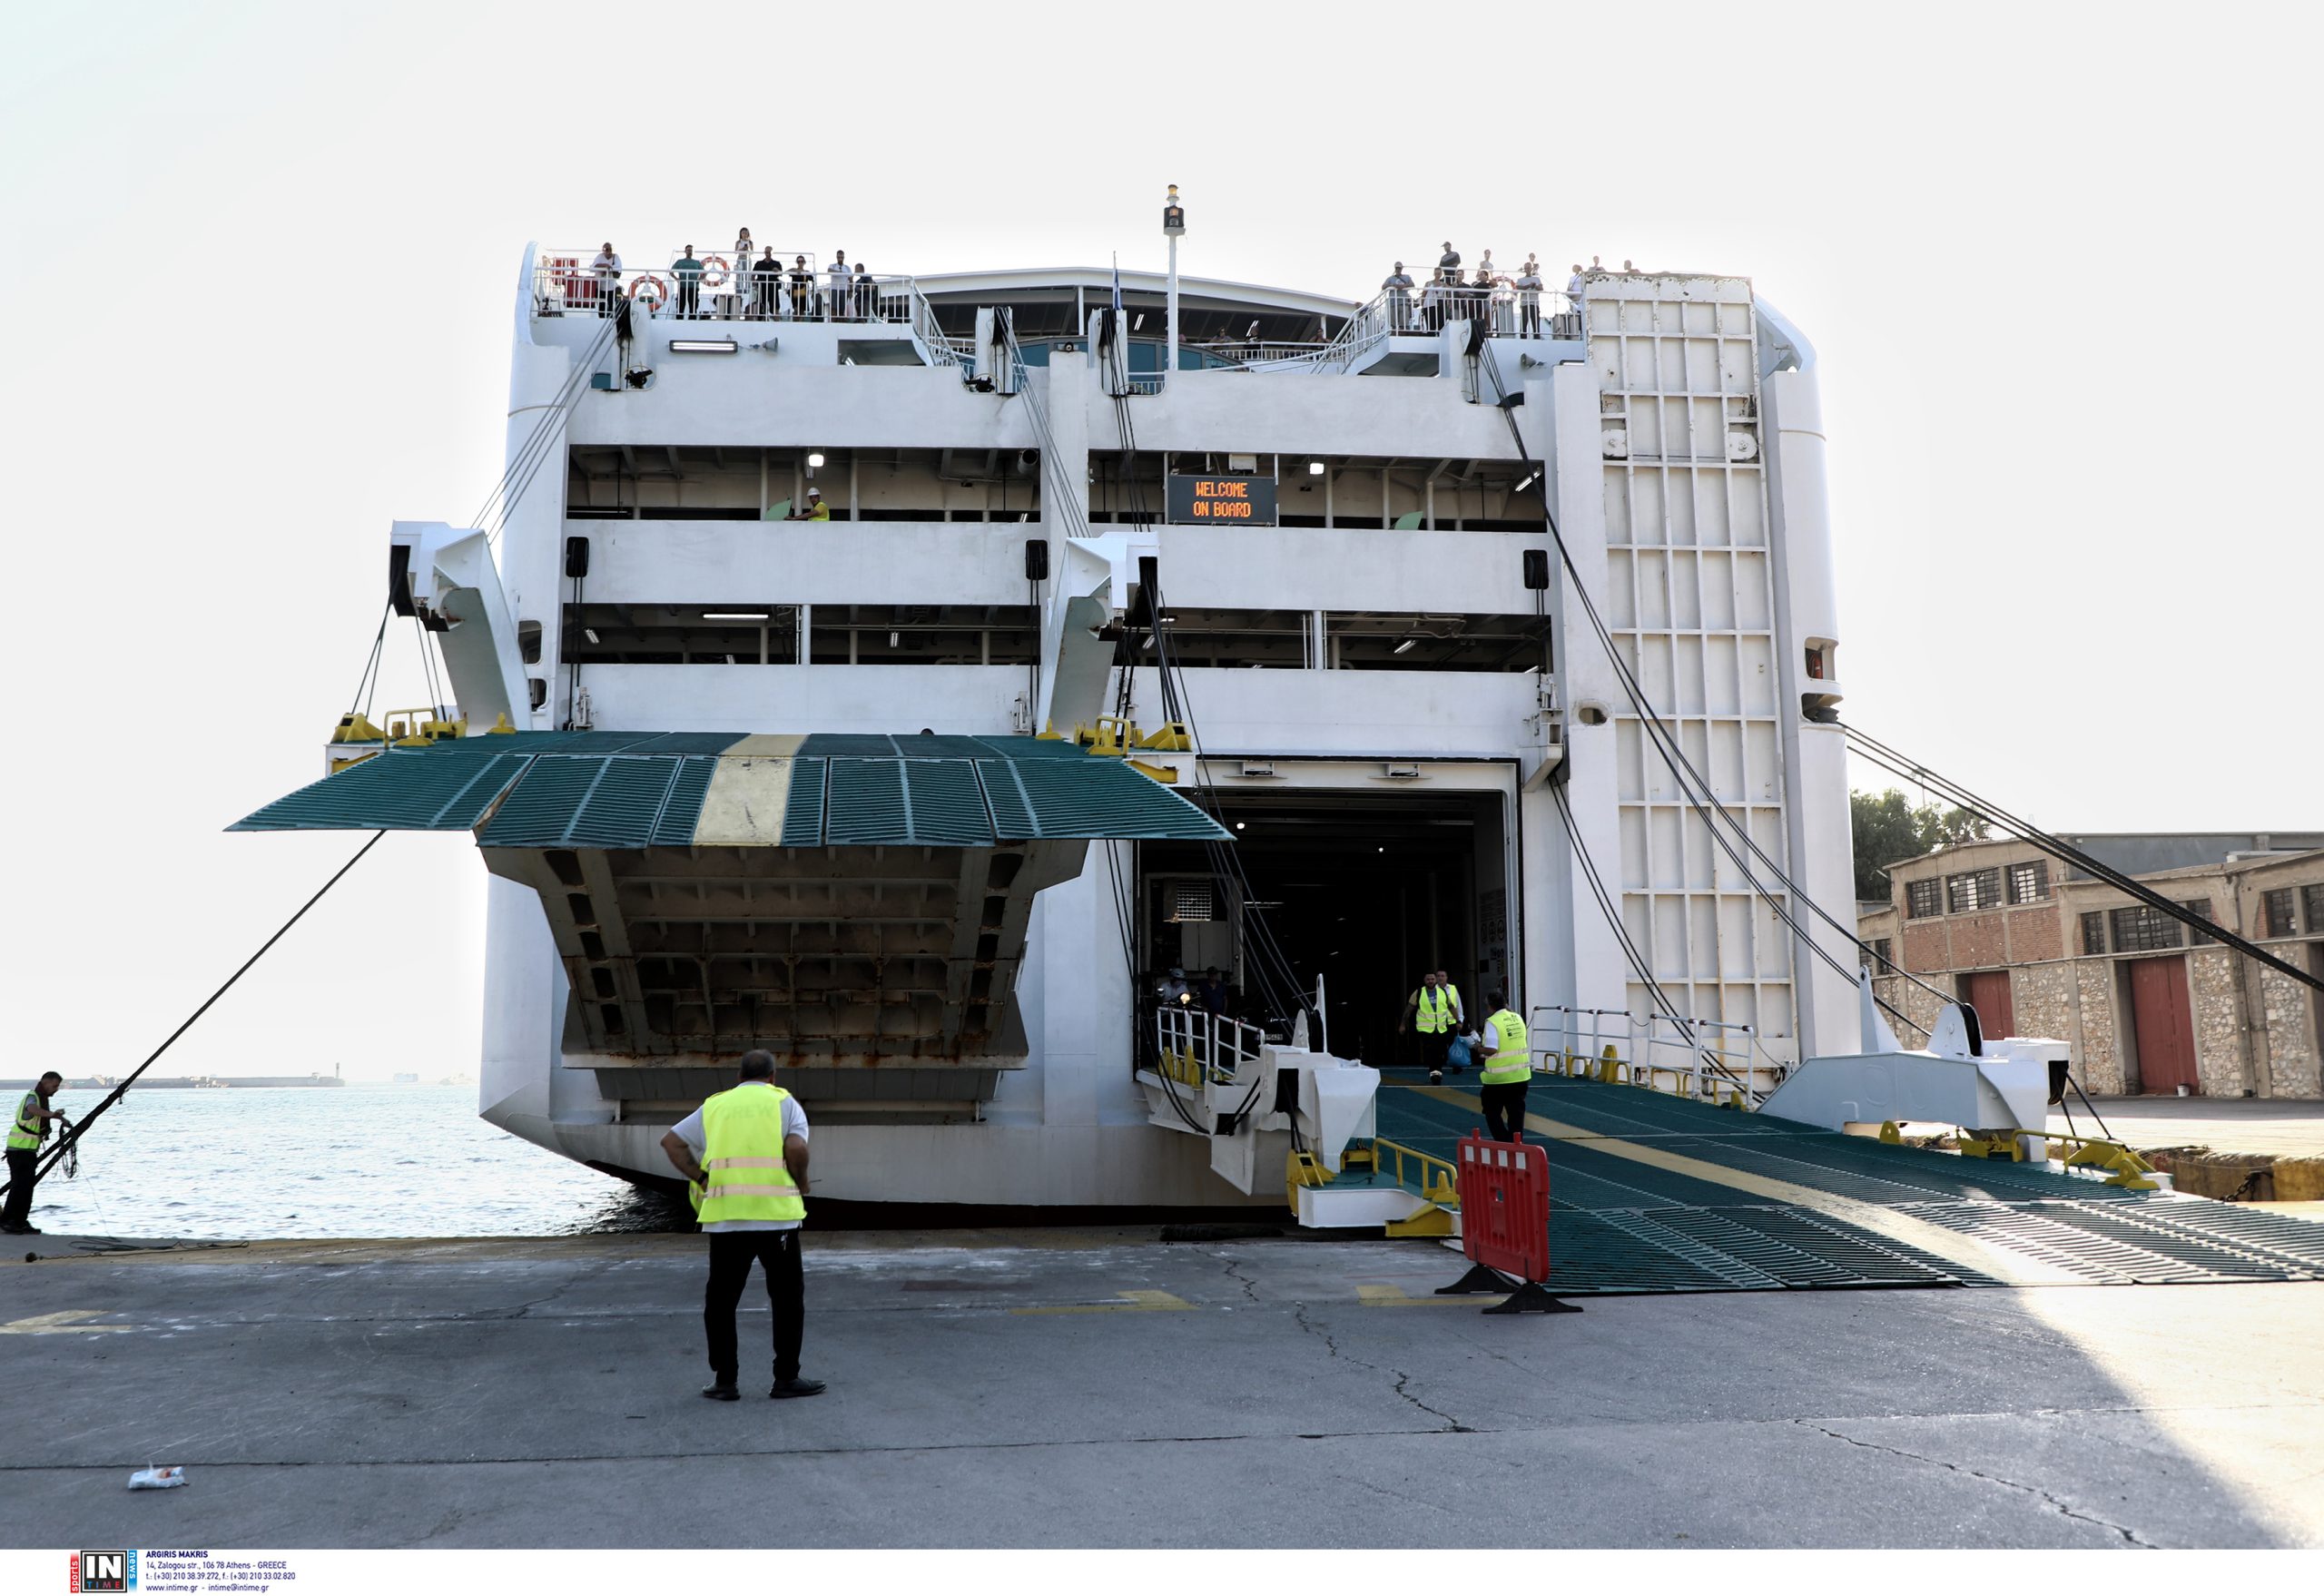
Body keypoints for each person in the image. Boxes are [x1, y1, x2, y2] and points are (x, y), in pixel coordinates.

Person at [660, 1049, 825, 1402]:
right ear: (773, 1076)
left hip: (725, 1219)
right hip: (776, 1216)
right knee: (786, 1299)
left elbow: (671, 1143)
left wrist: (701, 1177)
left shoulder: (716, 1105)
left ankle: (725, 1381)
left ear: (739, 1077)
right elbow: (795, 1146)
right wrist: (803, 1182)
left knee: (721, 1301)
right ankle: (785, 1379)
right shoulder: (784, 1103)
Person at [4, 1071, 66, 1235]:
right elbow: (32, 1109)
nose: (56, 1089)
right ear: (45, 1083)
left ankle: (20, 1221)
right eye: (55, 1085)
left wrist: (57, 1118)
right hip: (18, 1150)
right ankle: (8, 1221)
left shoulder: (41, 1099)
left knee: (27, 1187)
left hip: (28, 1150)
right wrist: (52, 1115)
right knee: (19, 1186)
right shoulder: (33, 1097)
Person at [1476, 991, 1532, 1142]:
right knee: (1516, 1113)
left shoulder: (1493, 1022)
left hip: (1498, 1078)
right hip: (1521, 1075)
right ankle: (1516, 1143)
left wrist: (1478, 1048)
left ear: (1489, 1006)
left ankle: (1503, 1141)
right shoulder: (1517, 1018)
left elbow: (1492, 1049)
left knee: (1491, 1111)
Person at [1400, 971, 1460, 1078]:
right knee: (1431, 1050)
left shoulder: (1442, 992)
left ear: (1435, 980)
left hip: (1441, 1028)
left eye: (1432, 979)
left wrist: (1458, 1020)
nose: (1430, 981)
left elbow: (1451, 1007)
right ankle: (1435, 1072)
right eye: (1428, 979)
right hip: (1425, 1029)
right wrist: (1403, 1024)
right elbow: (1408, 1010)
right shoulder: (1418, 992)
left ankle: (1437, 1070)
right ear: (1424, 981)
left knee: (1440, 1050)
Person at [672, 244, 704, 320]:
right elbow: (671, 271)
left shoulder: (696, 262)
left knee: (693, 304)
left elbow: (704, 272)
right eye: (689, 250)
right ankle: (679, 319)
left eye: (691, 250)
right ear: (685, 251)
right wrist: (676, 279)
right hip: (682, 286)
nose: (690, 252)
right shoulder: (680, 262)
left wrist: (699, 279)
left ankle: (692, 319)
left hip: (694, 287)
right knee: (680, 304)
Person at [1382, 261, 1415, 332]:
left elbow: (1413, 284)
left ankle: (1404, 334)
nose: (1398, 269)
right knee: (1393, 322)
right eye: (1396, 268)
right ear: (1395, 269)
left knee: (1404, 322)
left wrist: (1404, 286)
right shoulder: (1390, 278)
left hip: (1403, 302)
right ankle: (1394, 333)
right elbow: (1383, 286)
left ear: (1401, 268)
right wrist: (1392, 285)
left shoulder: (1407, 277)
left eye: (1399, 268)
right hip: (1393, 302)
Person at [1515, 256, 1543, 338]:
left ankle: (1537, 338)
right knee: (1523, 323)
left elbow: (1541, 288)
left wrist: (1535, 286)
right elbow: (1518, 287)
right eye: (1526, 268)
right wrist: (1529, 285)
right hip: (1524, 304)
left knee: (1536, 324)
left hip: (1534, 304)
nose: (1527, 269)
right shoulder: (1520, 279)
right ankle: (1523, 339)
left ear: (1531, 269)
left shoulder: (1537, 279)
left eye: (1528, 268)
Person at [591, 241, 622, 317]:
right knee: (601, 306)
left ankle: (610, 322)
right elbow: (592, 268)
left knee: (611, 306)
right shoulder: (600, 256)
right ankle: (601, 321)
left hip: (611, 287)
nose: (608, 251)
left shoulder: (616, 257)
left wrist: (608, 269)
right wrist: (604, 266)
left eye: (610, 249)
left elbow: (619, 267)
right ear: (603, 250)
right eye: (606, 249)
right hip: (600, 286)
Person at [751, 247, 782, 320]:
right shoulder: (759, 263)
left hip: (773, 288)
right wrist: (753, 283)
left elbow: (781, 274)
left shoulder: (776, 263)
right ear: (764, 252)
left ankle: (777, 324)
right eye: (767, 252)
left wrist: (777, 270)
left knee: (775, 307)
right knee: (761, 306)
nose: (768, 254)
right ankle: (762, 322)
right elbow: (753, 275)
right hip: (762, 288)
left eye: (769, 252)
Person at [826, 251, 851, 320]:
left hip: (844, 290)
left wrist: (851, 290)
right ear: (836, 257)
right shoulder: (833, 265)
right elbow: (829, 270)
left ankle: (841, 322)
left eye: (842, 257)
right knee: (834, 307)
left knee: (842, 308)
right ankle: (834, 322)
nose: (840, 259)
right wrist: (839, 273)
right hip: (834, 289)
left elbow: (851, 279)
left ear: (844, 257)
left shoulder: (847, 268)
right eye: (839, 257)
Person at [788, 255, 813, 320]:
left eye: (802, 261)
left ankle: (800, 323)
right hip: (794, 293)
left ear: (804, 262)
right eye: (799, 261)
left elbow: (813, 279)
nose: (800, 263)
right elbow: (786, 272)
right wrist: (796, 270)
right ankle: (795, 324)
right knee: (796, 309)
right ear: (797, 262)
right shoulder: (794, 271)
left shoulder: (806, 272)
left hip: (803, 293)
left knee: (802, 310)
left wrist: (813, 290)